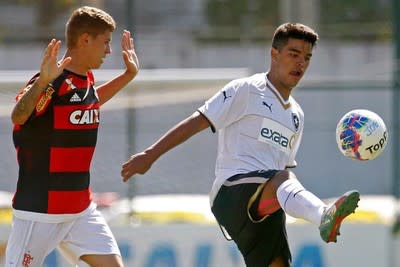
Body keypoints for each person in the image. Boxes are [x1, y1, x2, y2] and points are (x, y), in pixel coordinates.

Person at [120, 23, 359, 267]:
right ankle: (323, 214)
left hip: (266, 203)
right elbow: (196, 121)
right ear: (274, 54)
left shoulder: (297, 116)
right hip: (231, 193)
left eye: (307, 58)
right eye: (294, 54)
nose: (301, 64)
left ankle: (320, 215)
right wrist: (150, 154)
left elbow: (281, 175)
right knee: (283, 178)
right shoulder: (246, 89)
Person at [7, 6, 139, 267]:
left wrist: (128, 76)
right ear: (85, 40)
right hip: (40, 212)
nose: (109, 51)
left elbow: (89, 102)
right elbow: (19, 116)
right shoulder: (52, 81)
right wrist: (42, 82)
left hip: (80, 210)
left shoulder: (85, 79)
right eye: (105, 42)